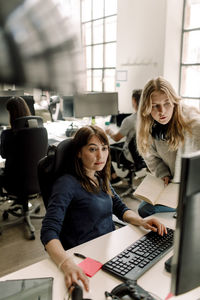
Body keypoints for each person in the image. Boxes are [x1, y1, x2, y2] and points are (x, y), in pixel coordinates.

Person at [40, 125, 167, 292]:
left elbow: (119, 207)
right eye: (92, 149)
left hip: (108, 250)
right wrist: (66, 264)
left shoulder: (98, 177)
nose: (101, 156)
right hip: (85, 256)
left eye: (104, 148)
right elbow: (48, 231)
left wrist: (141, 221)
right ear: (79, 152)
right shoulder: (66, 184)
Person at [136, 76, 200, 217]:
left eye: (167, 103)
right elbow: (150, 156)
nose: (162, 111)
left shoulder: (192, 123)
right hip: (171, 185)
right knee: (143, 208)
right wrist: (162, 172)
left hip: (191, 188)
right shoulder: (148, 126)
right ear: (146, 107)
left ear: (174, 102)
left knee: (146, 210)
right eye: (155, 105)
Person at [105, 89, 146, 185]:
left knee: (105, 150)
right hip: (144, 155)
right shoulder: (150, 118)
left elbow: (116, 138)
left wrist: (109, 131)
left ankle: (114, 177)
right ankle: (131, 174)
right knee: (127, 143)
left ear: (134, 101)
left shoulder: (129, 120)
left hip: (131, 156)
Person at [0, 97, 31, 193]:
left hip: (13, 181)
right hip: (36, 179)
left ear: (11, 115)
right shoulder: (39, 130)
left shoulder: (7, 134)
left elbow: (3, 155)